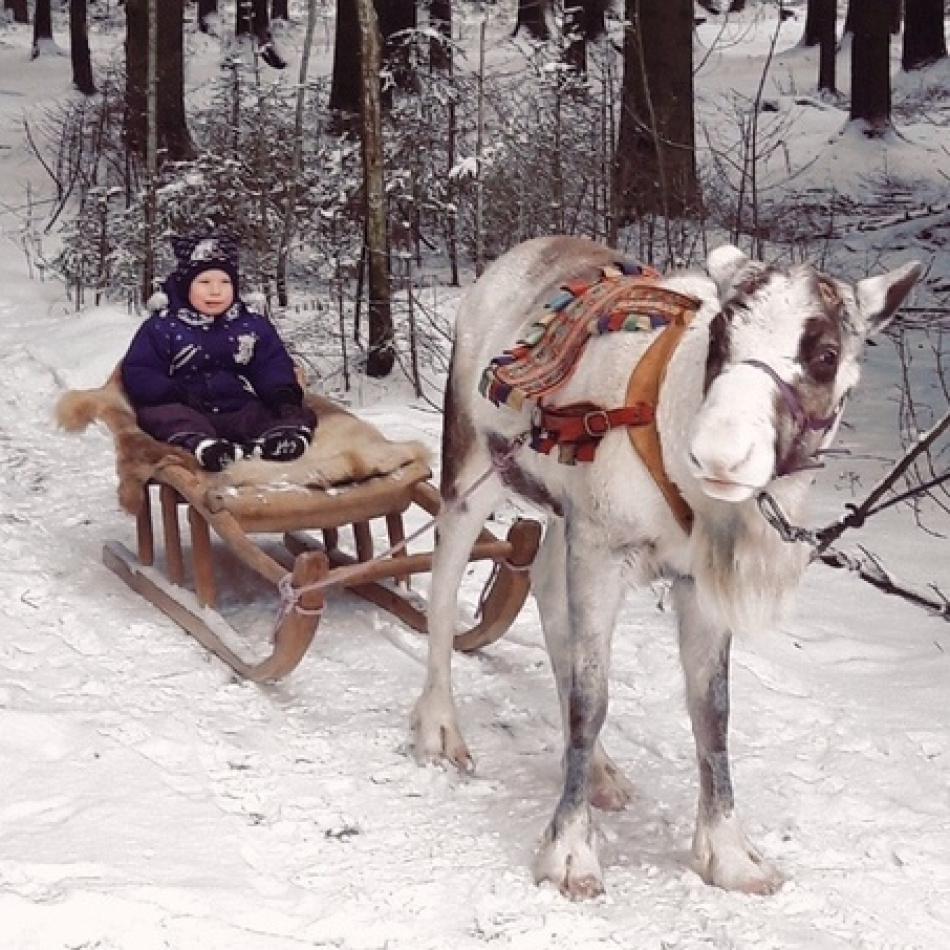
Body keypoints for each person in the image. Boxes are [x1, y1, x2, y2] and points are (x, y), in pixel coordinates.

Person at [121, 235, 317, 472]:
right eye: (204, 282)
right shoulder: (163, 327)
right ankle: (205, 448)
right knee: (166, 417)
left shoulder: (250, 326)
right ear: (186, 287)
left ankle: (280, 439)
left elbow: (270, 363)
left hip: (236, 404)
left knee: (274, 413)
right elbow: (140, 369)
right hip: (185, 404)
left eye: (225, 282)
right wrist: (170, 391)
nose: (216, 291)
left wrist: (281, 393)